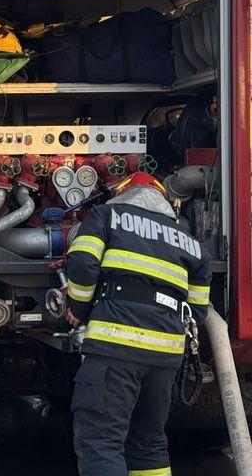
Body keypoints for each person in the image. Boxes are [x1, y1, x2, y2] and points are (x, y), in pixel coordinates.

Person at [64, 172, 212, 476]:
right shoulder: (192, 244)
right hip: (165, 355)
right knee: (149, 444)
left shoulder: (105, 216)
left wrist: (79, 308)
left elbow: (82, 262)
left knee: (101, 441)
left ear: (121, 194)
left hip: (115, 346)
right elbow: (197, 311)